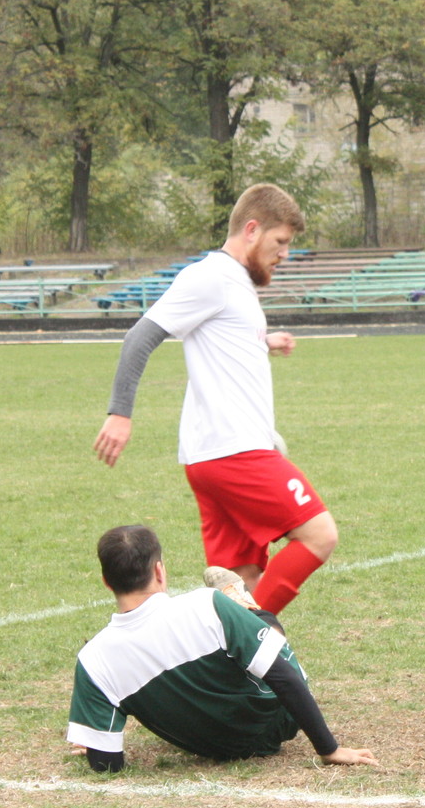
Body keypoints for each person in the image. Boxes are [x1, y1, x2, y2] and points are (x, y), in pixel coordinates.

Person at [94, 183, 338, 615]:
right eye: (280, 242)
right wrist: (120, 413)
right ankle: (256, 637)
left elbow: (223, 337)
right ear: (251, 229)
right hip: (234, 450)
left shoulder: (237, 282)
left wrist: (265, 340)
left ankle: (229, 665)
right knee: (319, 535)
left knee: (243, 581)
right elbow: (140, 336)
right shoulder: (210, 277)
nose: (284, 254)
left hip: (215, 455)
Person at [66, 525, 378, 771]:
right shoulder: (205, 604)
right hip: (277, 724)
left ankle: (244, 610)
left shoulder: (93, 660)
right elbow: (282, 676)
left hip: (212, 748)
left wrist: (97, 743)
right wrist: (329, 749)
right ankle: (243, 603)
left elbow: (107, 764)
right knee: (261, 629)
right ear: (159, 571)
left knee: (242, 632)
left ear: (106, 582)